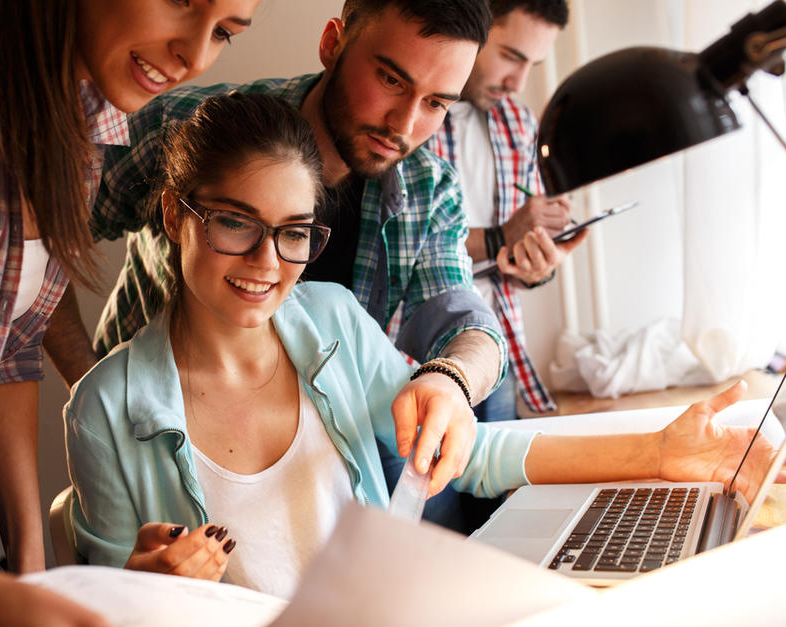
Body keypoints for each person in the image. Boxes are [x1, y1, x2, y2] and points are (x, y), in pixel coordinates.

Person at [65, 91, 779, 600]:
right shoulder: (103, 408)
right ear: (173, 213)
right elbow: (106, 606)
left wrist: (657, 454)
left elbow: (470, 454)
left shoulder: (333, 321)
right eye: (234, 222)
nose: (265, 261)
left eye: (293, 232)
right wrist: (146, 588)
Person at [0, 0, 260, 624]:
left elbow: (6, 352)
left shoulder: (89, 115)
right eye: (182, 2)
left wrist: (31, 572)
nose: (195, 56)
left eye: (225, 33)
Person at [49, 0, 505, 533]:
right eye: (390, 80)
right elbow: (37, 234)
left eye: (436, 103)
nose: (403, 124)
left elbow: (466, 323)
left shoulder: (428, 189)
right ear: (333, 43)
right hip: (160, 465)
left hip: (325, 463)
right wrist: (97, 387)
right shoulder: (189, 131)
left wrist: (452, 379)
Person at [426, 0, 582, 421]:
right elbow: (409, 245)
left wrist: (538, 264)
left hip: (499, 346)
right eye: (511, 56)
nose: (518, 81)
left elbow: (518, 248)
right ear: (472, 26)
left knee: (500, 488)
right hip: (415, 361)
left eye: (533, 63)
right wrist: (502, 236)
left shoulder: (520, 121)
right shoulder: (411, 114)